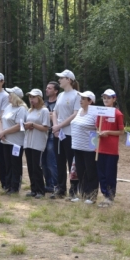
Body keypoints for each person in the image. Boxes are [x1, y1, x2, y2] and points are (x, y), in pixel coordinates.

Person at [51, 69, 80, 199]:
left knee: (71, 162)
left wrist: (59, 126)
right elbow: (55, 112)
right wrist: (55, 127)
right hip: (59, 134)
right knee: (59, 161)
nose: (59, 80)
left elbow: (75, 114)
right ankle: (60, 188)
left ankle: (74, 190)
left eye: (62, 78)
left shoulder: (77, 95)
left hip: (70, 134)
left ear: (69, 80)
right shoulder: (61, 95)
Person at [96, 89, 125, 207]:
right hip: (100, 148)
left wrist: (108, 132)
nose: (106, 100)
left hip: (111, 149)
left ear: (114, 99)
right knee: (101, 173)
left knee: (110, 173)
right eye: (104, 98)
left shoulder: (118, 114)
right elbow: (97, 127)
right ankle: (104, 194)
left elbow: (121, 131)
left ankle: (110, 196)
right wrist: (99, 132)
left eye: (108, 98)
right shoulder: (100, 112)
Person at [70, 91, 99, 204]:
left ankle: (91, 196)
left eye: (83, 98)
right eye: (80, 98)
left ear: (90, 101)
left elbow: (98, 128)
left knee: (90, 171)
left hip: (89, 148)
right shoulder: (80, 111)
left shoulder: (94, 113)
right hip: (77, 146)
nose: (80, 100)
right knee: (80, 171)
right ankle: (83, 194)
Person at [0, 86, 27, 195]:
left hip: (16, 142)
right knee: (7, 163)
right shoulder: (8, 107)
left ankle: (15, 186)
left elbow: (19, 126)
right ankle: (8, 184)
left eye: (10, 94)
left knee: (15, 164)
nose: (8, 96)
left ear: (15, 96)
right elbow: (1, 120)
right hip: (5, 141)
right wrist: (1, 132)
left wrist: (4, 132)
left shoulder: (21, 109)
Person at [23, 89, 50, 199]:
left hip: (38, 142)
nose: (31, 99)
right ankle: (33, 189)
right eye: (30, 97)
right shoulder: (29, 110)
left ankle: (40, 190)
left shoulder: (44, 111)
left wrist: (33, 124)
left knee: (37, 167)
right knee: (30, 166)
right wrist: (26, 125)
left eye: (33, 97)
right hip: (28, 141)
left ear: (39, 98)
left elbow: (45, 127)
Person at [43, 81, 60, 193]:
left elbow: (58, 116)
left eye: (49, 88)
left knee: (51, 160)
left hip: (53, 135)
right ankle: (48, 184)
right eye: (47, 87)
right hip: (42, 134)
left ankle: (55, 184)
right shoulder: (44, 103)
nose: (47, 89)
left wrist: (51, 116)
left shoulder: (59, 103)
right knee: (43, 161)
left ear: (56, 91)